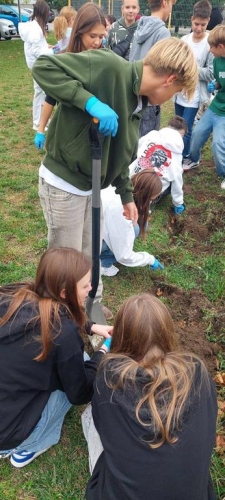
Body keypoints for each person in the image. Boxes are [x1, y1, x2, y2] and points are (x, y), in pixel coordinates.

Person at [32, 37, 198, 307]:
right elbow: (44, 66)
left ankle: (89, 306)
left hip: (92, 188)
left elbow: (120, 155)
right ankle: (57, 320)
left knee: (89, 255)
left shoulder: (138, 103)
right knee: (65, 263)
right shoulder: (108, 66)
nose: (170, 100)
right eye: (176, 92)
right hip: (64, 185)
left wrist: (126, 195)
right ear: (169, 79)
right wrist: (88, 102)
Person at [84, 293, 217, 500]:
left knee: (89, 417)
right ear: (167, 334)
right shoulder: (198, 374)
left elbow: (104, 427)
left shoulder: (109, 379)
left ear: (121, 337)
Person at [0, 247, 112, 469]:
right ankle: (26, 448)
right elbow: (79, 394)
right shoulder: (63, 335)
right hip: (8, 434)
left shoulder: (13, 296)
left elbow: (52, 313)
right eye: (85, 286)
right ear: (64, 293)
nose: (91, 289)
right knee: (78, 364)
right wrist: (102, 353)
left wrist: (90, 326)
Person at [34, 2, 105, 150]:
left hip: (95, 130)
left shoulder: (104, 59)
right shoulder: (64, 59)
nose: (97, 42)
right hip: (67, 130)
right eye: (92, 36)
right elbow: (50, 97)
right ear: (79, 31)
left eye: (101, 36)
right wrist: (41, 129)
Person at [100, 170, 163, 277]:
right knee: (135, 229)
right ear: (144, 196)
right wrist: (149, 259)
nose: (151, 202)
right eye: (150, 199)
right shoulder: (123, 214)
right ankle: (103, 263)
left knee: (142, 224)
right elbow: (123, 256)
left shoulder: (119, 188)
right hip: (88, 241)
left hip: (94, 228)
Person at [174, 0, 214, 165]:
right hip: (179, 93)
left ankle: (186, 157)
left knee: (187, 128)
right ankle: (177, 154)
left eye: (203, 25)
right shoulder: (184, 39)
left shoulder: (210, 43)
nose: (199, 28)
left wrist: (191, 69)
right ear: (191, 19)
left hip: (196, 95)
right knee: (177, 126)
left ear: (208, 22)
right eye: (196, 24)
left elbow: (211, 72)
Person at [129, 0, 175, 136]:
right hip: (149, 99)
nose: (171, 9)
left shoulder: (139, 27)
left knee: (133, 140)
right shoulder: (163, 33)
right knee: (147, 144)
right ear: (165, 3)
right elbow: (162, 69)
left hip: (133, 95)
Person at [188, 24, 225, 189]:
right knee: (196, 134)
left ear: (221, 47)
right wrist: (215, 86)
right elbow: (219, 81)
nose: (210, 50)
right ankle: (194, 159)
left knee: (218, 144)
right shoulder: (217, 61)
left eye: (211, 47)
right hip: (215, 107)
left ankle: (223, 173)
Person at [129, 116, 188, 214]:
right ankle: (147, 205)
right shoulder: (177, 154)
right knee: (169, 182)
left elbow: (136, 148)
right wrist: (178, 203)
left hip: (133, 178)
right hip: (152, 189)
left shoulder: (152, 135)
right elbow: (177, 180)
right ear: (181, 134)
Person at [18, 0, 54, 131]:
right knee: (40, 92)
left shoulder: (35, 26)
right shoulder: (35, 29)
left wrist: (48, 46)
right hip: (38, 65)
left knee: (41, 92)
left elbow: (38, 46)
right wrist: (53, 51)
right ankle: (38, 122)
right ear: (44, 12)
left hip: (37, 64)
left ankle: (41, 120)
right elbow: (37, 52)